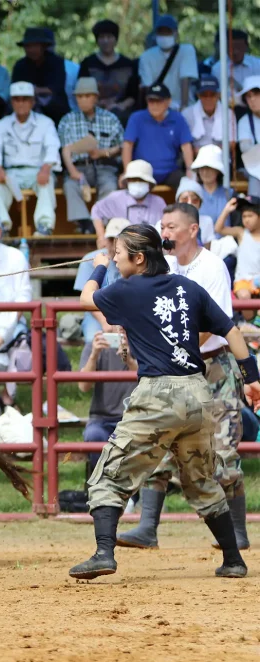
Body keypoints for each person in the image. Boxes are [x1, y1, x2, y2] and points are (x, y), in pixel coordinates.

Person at [69, 223, 256, 580]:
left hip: (158, 393)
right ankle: (233, 559)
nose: (117, 258)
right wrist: (253, 378)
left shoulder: (126, 289)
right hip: (198, 393)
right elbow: (231, 330)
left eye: (121, 254)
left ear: (139, 259)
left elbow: (86, 298)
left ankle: (103, 553)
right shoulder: (188, 287)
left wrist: (98, 263)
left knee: (109, 473)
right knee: (201, 476)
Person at [119, 204, 250, 551]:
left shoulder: (212, 267)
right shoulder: (166, 267)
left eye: (172, 226)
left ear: (193, 230)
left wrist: (171, 352)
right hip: (177, 368)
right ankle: (147, 528)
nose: (165, 233)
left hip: (213, 366)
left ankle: (237, 532)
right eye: (163, 226)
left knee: (222, 451)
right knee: (160, 444)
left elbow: (215, 325)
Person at [0, 81, 62, 236]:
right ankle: (2, 227)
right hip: (11, 173)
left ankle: (44, 226)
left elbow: (52, 148)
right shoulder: (3, 124)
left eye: (25, 99)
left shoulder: (45, 123)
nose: (21, 103)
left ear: (33, 102)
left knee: (47, 182)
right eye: (17, 99)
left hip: (37, 171)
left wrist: (46, 169)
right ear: (12, 102)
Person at [59, 77, 124, 234]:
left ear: (95, 97)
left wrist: (103, 152)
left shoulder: (110, 118)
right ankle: (84, 223)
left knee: (109, 184)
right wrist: (74, 171)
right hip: (78, 166)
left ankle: (102, 222)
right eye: (80, 96)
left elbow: (122, 146)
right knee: (69, 185)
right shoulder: (67, 120)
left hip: (104, 165)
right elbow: (65, 149)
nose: (83, 100)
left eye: (87, 96)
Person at [77, 329, 137, 483]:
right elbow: (83, 386)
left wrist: (128, 359)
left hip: (132, 418)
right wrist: (94, 355)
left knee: (136, 439)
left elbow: (148, 381)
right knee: (94, 436)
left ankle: (127, 493)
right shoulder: (94, 343)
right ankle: (104, 486)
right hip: (101, 419)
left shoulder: (140, 341)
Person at [123, 83, 194, 189]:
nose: (154, 105)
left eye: (159, 101)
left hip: (170, 171)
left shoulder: (178, 119)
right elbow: (128, 145)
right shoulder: (136, 118)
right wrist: (127, 171)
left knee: (188, 188)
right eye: (151, 101)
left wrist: (190, 170)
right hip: (142, 171)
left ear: (168, 101)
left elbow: (186, 146)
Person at [90, 159, 166, 248]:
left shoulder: (158, 203)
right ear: (127, 181)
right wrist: (101, 237)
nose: (137, 183)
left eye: (141, 180)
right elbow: (96, 210)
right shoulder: (116, 198)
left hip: (149, 252)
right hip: (118, 251)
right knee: (88, 260)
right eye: (133, 179)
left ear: (149, 184)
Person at [74, 217, 128, 341]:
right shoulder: (91, 259)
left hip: (127, 313)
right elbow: (85, 297)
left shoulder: (134, 260)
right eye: (110, 239)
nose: (114, 244)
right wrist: (105, 322)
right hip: (97, 313)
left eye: (119, 240)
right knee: (94, 339)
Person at [78, 20, 138, 124]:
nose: (106, 41)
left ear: (116, 39)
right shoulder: (88, 63)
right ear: (97, 40)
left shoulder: (128, 65)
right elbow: (81, 90)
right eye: (102, 37)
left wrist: (120, 106)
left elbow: (133, 94)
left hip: (122, 113)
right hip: (93, 111)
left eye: (109, 37)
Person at [138, 14, 198, 112]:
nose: (164, 35)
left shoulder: (187, 50)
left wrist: (184, 108)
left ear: (176, 34)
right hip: (158, 108)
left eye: (168, 32)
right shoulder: (146, 57)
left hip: (184, 107)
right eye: (161, 33)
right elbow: (148, 88)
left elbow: (185, 80)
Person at [11, 27, 70, 125]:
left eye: (35, 46)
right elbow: (15, 88)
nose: (31, 50)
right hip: (26, 101)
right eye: (28, 46)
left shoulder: (56, 62)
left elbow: (56, 88)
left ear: (43, 46)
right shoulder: (20, 65)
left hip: (53, 106)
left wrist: (35, 90)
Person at [217, 194, 260, 309]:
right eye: (244, 216)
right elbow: (219, 229)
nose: (246, 219)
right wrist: (227, 210)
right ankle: (250, 324)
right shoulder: (241, 233)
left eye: (250, 216)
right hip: (243, 282)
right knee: (245, 296)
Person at [183, 74, 236, 153]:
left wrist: (211, 156)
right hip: (197, 159)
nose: (208, 99)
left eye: (212, 95)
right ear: (198, 95)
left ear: (218, 95)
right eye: (204, 95)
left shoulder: (228, 113)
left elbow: (232, 143)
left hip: (222, 159)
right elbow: (185, 144)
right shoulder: (187, 114)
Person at [192, 144, 234, 230]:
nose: (205, 172)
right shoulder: (192, 194)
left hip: (226, 242)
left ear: (217, 171)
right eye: (201, 168)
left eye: (209, 168)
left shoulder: (230, 194)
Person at [237, 75, 260, 195]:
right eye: (249, 96)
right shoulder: (245, 121)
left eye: (256, 94)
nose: (252, 100)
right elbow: (245, 148)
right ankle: (255, 210)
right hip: (253, 167)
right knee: (255, 179)